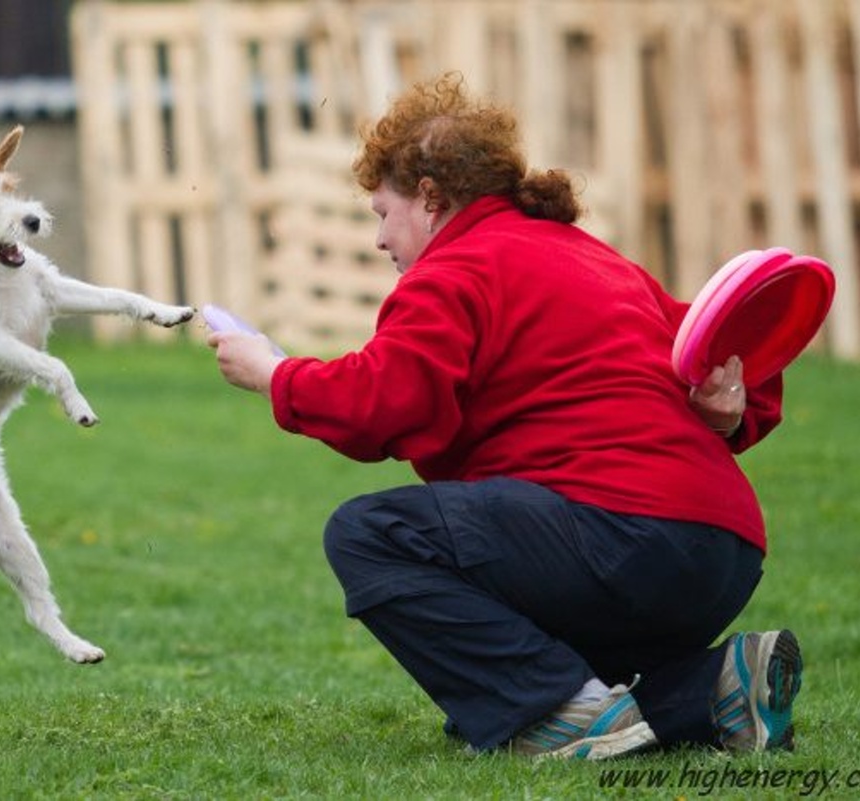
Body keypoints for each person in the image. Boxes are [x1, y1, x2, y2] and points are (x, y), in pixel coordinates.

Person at [207, 73, 802, 759]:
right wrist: (731, 414)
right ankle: (717, 685)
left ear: (430, 199)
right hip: (721, 553)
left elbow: (383, 402)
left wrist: (274, 374)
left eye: (381, 212)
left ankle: (568, 716)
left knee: (369, 535)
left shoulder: (453, 270)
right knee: (488, 698)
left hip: (619, 540)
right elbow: (721, 344)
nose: (378, 240)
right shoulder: (597, 258)